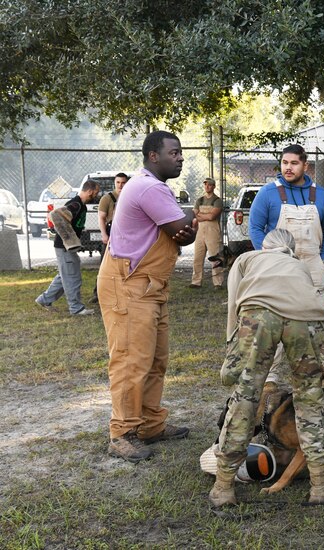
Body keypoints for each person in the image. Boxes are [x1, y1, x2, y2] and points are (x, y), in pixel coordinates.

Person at [209, 228, 324, 507]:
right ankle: (320, 484)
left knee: (245, 399)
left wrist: (234, 358)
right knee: (310, 398)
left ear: (264, 247)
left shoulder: (247, 259)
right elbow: (311, 306)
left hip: (258, 315)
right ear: (292, 250)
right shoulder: (300, 266)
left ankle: (223, 488)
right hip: (306, 319)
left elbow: (235, 307)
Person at [99, 130, 197, 463]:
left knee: (155, 360)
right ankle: (122, 434)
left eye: (181, 152)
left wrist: (187, 225)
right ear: (153, 156)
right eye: (174, 152)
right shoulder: (149, 188)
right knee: (130, 362)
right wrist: (189, 222)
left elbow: (185, 230)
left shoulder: (152, 187)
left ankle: (151, 424)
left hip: (150, 285)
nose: (180, 157)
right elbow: (181, 231)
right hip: (129, 284)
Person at [248, 144, 324, 403]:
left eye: (294, 163)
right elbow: (255, 228)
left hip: (312, 266)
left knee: (316, 319)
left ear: (305, 165)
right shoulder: (268, 194)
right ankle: (271, 377)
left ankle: (321, 370)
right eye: (284, 163)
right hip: (278, 267)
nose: (288, 167)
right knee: (275, 319)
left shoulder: (320, 196)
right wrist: (268, 257)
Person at [35, 179, 100, 316]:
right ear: (89, 190)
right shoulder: (75, 204)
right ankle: (76, 308)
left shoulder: (81, 205)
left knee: (65, 275)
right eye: (95, 192)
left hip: (65, 248)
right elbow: (56, 215)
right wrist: (69, 239)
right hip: (64, 247)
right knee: (72, 277)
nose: (96, 195)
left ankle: (44, 300)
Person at [91, 172, 129, 304]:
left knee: (124, 264)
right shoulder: (107, 198)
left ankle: (122, 291)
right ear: (115, 183)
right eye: (118, 182)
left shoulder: (130, 197)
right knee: (104, 265)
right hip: (111, 232)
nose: (120, 185)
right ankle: (98, 292)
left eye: (123, 182)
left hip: (125, 234)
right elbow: (101, 217)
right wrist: (104, 235)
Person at [190, 177, 224, 288]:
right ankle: (196, 282)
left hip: (212, 231)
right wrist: (205, 216)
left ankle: (218, 283)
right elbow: (194, 215)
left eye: (209, 185)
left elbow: (212, 216)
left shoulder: (217, 200)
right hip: (200, 231)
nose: (207, 186)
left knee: (215, 257)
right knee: (197, 258)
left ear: (214, 186)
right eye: (205, 184)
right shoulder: (199, 200)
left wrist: (200, 216)